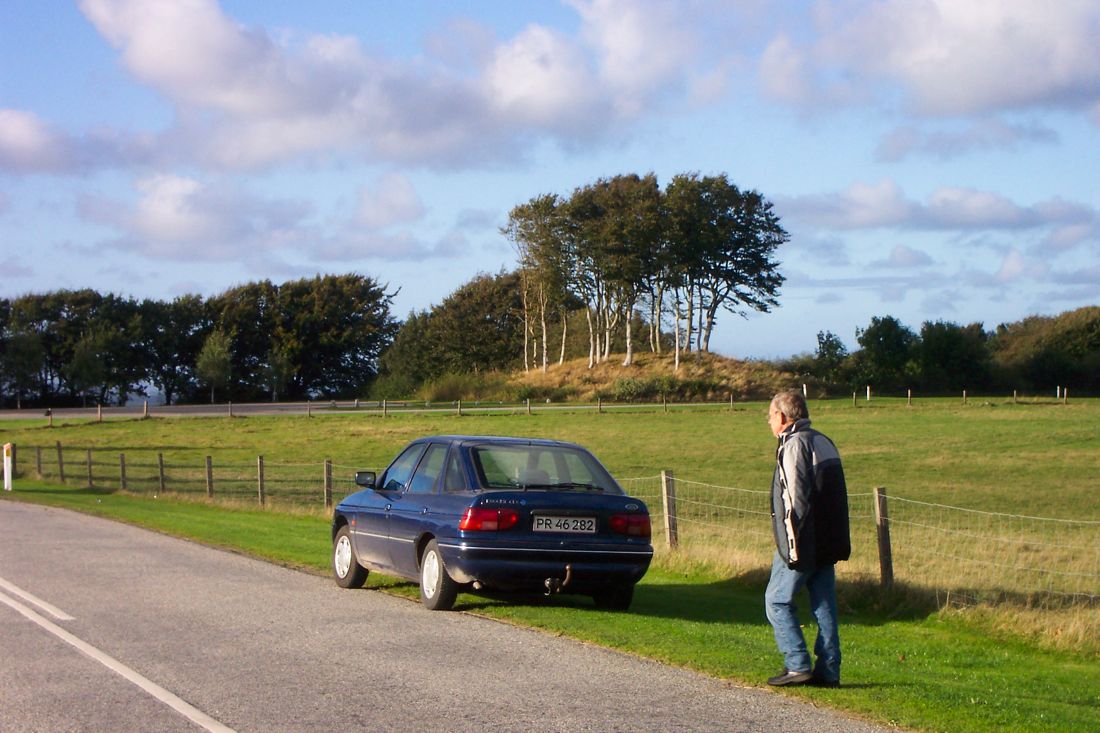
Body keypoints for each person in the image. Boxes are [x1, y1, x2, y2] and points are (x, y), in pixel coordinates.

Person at [764, 389, 850, 687]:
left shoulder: (793, 445)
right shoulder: (823, 441)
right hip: (829, 540)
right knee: (824, 605)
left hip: (803, 540)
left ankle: (796, 663)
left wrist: (791, 547)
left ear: (784, 417)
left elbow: (794, 501)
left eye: (771, 414)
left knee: (776, 601)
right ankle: (829, 670)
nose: (769, 421)